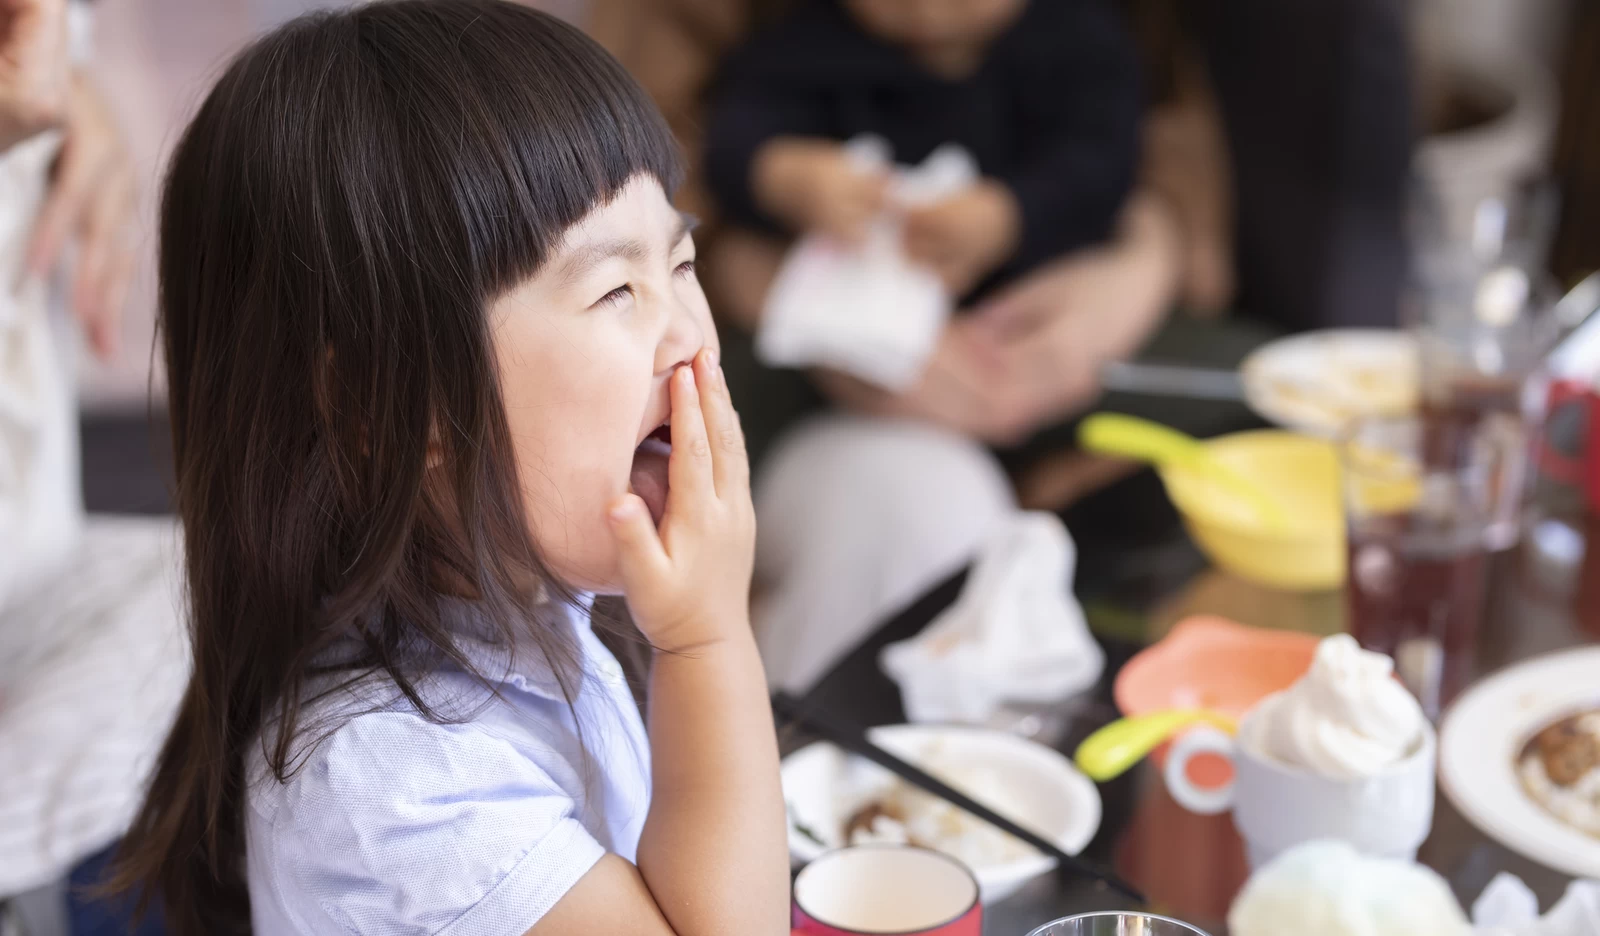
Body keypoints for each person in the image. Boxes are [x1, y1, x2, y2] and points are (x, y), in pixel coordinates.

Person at [109, 3, 787, 935]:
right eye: (615, 288)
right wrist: (707, 641)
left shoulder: (537, 609)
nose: (690, 338)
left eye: (682, 261)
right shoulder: (392, 788)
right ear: (386, 407)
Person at [704, 0, 1142, 305]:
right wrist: (784, 177)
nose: (927, 10)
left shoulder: (1077, 38)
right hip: (847, 312)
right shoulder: (810, 36)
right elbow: (733, 133)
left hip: (1031, 300)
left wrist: (1013, 214)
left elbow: (1105, 163)